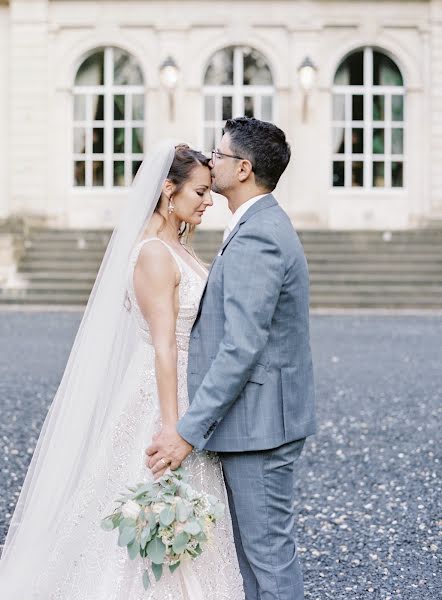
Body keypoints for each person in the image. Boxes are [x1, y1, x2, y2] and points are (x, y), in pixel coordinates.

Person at [0, 143, 244, 599]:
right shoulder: (154, 252)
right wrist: (173, 425)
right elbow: (165, 345)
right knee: (152, 500)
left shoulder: (178, 245)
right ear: (168, 190)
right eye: (200, 192)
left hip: (186, 390)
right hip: (162, 395)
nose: (208, 201)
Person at [147, 118, 317, 600]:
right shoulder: (256, 224)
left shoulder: (259, 235)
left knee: (267, 561)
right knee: (254, 561)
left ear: (243, 169)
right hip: (256, 421)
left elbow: (241, 346)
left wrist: (185, 432)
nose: (210, 160)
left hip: (261, 427)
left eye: (218, 155)